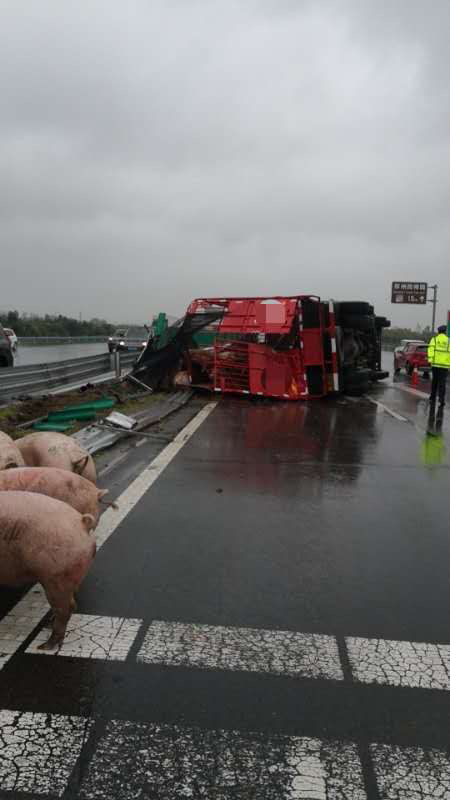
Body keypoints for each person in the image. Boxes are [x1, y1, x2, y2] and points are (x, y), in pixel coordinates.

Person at [427, 324, 450, 410]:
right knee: (442, 383)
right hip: (444, 366)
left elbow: (430, 350)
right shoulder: (448, 341)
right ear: (445, 332)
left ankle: (432, 398)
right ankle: (441, 400)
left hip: (435, 365)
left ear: (439, 331)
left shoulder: (434, 340)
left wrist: (430, 360)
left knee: (435, 382)